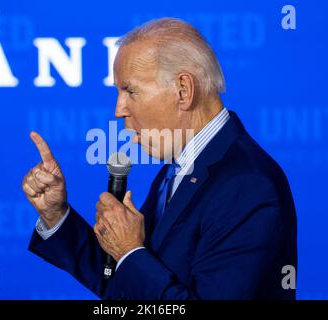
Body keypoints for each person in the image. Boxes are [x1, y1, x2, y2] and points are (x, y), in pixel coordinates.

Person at [22, 18, 297, 300]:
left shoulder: (247, 185)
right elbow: (126, 285)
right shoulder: (180, 167)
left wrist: (130, 251)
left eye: (129, 90)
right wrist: (56, 215)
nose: (118, 109)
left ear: (183, 90)